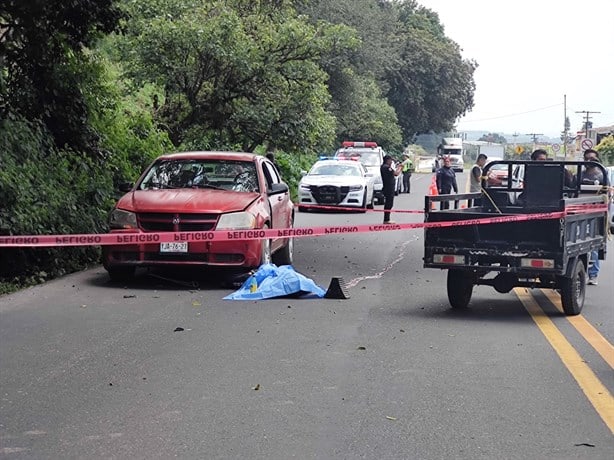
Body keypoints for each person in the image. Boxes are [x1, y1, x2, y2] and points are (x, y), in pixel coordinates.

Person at [582, 149, 604, 285]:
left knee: (593, 245)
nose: (589, 161)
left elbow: (607, 196)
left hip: (596, 214)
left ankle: (593, 274)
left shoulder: (602, 175)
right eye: (587, 159)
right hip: (579, 212)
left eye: (592, 159)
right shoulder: (580, 174)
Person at [380, 155, 403, 224]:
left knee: (389, 203)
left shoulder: (384, 167)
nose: (391, 162)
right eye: (390, 160)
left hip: (388, 187)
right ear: (387, 160)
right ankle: (386, 219)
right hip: (388, 187)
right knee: (389, 203)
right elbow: (396, 173)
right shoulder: (386, 167)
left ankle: (387, 219)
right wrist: (400, 168)